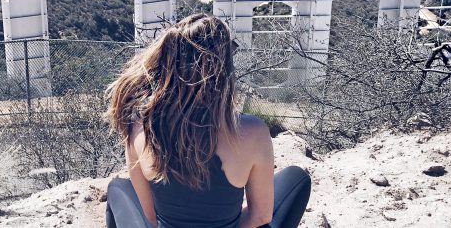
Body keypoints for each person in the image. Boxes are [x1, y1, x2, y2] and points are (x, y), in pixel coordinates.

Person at [106, 14, 311, 228]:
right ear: (224, 70)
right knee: (296, 179)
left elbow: (149, 217)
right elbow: (260, 217)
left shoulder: (139, 126)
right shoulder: (252, 132)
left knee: (117, 187)